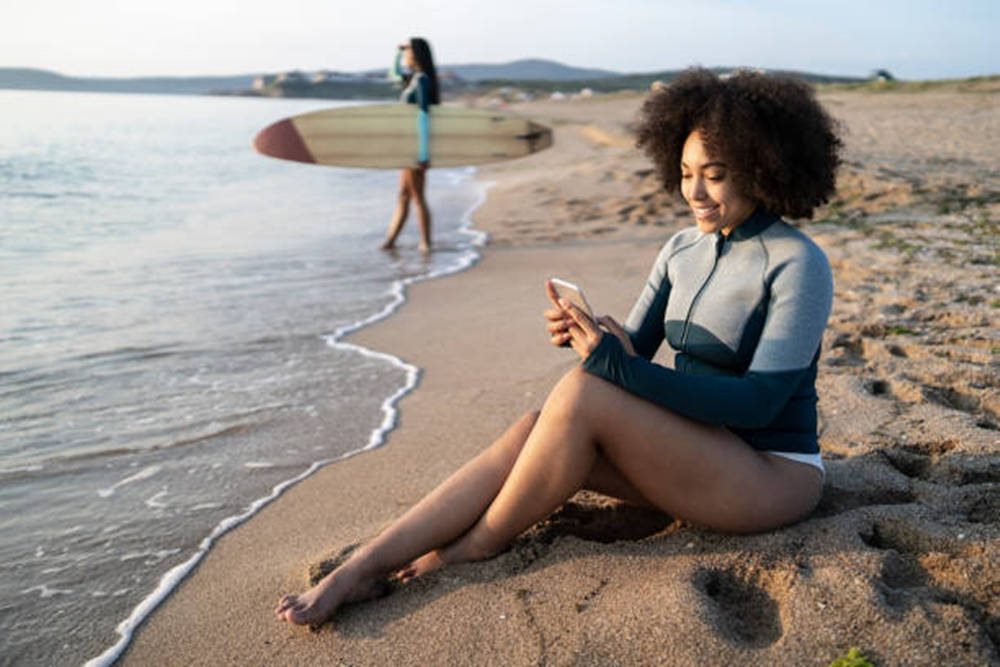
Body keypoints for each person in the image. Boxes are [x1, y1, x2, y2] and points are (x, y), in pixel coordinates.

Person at [276, 68, 842, 626]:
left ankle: (474, 546)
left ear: (763, 170)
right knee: (533, 427)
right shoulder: (680, 249)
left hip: (769, 479)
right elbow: (633, 351)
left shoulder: (798, 264)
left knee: (583, 395)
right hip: (695, 456)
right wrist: (592, 334)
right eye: (686, 172)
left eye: (714, 176)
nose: (694, 192)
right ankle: (358, 568)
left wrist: (612, 366)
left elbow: (758, 404)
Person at [380, 37, 440, 253]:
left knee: (417, 196)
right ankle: (390, 241)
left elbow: (424, 115)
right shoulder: (414, 79)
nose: (405, 56)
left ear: (415, 55)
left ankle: (425, 243)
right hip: (408, 146)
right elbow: (393, 74)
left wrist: (423, 153)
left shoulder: (422, 80)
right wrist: (398, 52)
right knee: (404, 196)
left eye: (408, 52)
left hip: (416, 147)